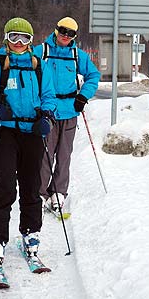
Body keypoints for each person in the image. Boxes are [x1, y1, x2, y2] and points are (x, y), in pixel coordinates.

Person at [0, 17, 57, 268]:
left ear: (31, 42)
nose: (19, 43)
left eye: (25, 38)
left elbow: (48, 96)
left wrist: (47, 116)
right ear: (6, 38)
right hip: (6, 133)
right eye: (14, 38)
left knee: (32, 186)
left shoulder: (39, 65)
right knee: (5, 186)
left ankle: (31, 233)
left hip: (32, 131)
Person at [33, 17, 100, 213]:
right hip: (47, 111)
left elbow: (93, 76)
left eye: (70, 33)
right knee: (45, 154)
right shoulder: (41, 52)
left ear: (74, 36)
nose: (65, 35)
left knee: (64, 154)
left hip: (70, 111)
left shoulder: (77, 55)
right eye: (63, 30)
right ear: (56, 30)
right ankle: (40, 193)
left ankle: (59, 192)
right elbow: (25, 69)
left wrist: (83, 96)